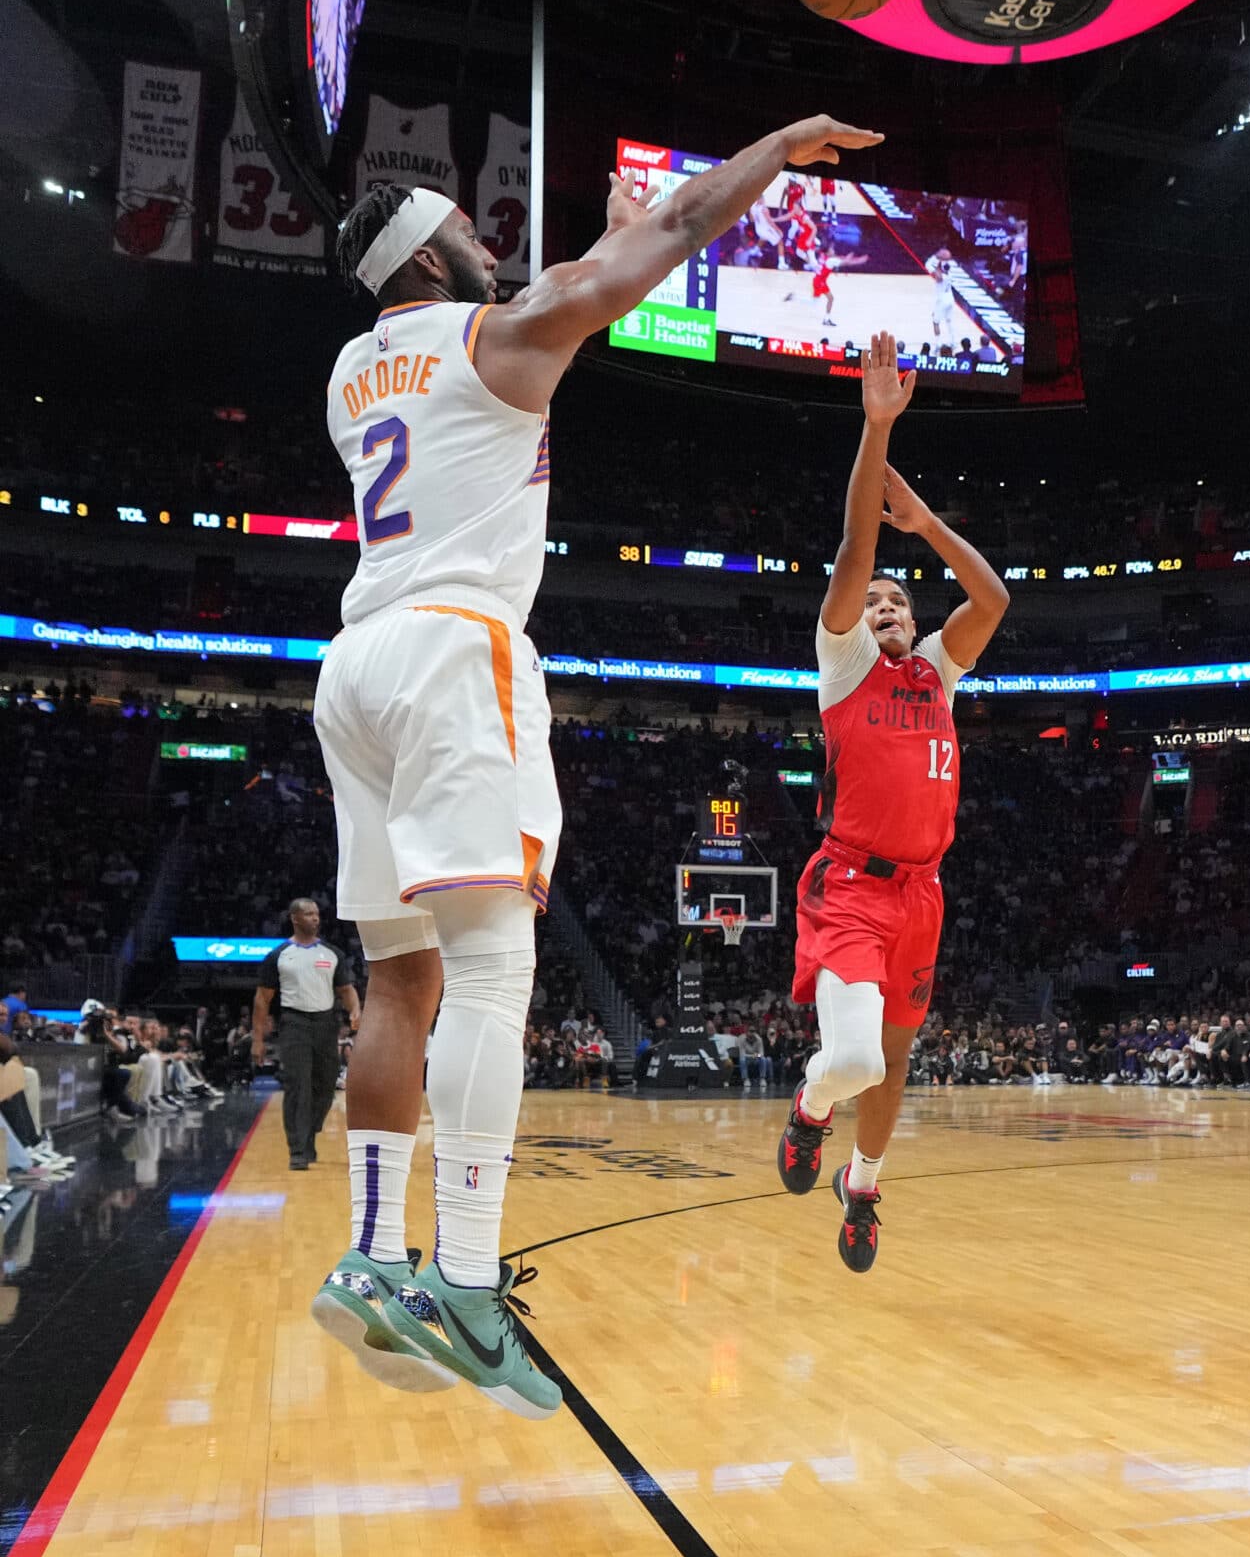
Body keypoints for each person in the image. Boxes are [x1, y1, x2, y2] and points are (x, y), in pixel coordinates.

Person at [309, 111, 883, 1417]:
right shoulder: (497, 338)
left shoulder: (350, 373)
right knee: (493, 968)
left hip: (355, 664)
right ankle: (459, 1280)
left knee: (394, 981)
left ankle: (373, 1253)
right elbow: (665, 242)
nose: (488, 239)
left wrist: (593, 245)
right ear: (426, 260)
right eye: (465, 228)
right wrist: (771, 149)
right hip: (458, 652)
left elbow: (544, 280)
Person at [773, 357, 1009, 1276]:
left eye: (898, 603)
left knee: (894, 1061)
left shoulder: (936, 674)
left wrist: (927, 524)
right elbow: (851, 557)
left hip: (923, 896)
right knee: (857, 1059)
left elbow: (992, 599)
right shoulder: (845, 668)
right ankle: (807, 1107)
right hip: (851, 887)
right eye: (876, 603)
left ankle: (862, 1189)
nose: (885, 606)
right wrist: (878, 430)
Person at [249, 898, 359, 1171]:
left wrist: (356, 1010)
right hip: (294, 1022)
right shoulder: (279, 955)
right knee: (298, 1086)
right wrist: (257, 1039)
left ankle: (308, 1134)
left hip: (326, 1023)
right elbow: (262, 999)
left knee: (325, 1085)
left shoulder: (332, 953)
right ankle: (297, 1150)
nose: (315, 919)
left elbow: (346, 990)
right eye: (308, 914)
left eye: (317, 914)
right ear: (294, 918)